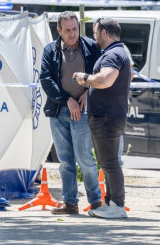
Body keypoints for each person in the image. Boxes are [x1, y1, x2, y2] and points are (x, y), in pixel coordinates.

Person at [40, 11, 102, 215]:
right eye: (67, 30)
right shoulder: (50, 50)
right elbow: (46, 80)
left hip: (83, 110)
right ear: (59, 30)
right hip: (59, 110)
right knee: (65, 160)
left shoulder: (91, 47)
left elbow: (100, 73)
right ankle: (70, 203)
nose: (72, 33)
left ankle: (95, 203)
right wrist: (68, 100)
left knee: (85, 157)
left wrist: (88, 93)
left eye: (75, 29)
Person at [73, 17, 132, 219]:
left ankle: (117, 206)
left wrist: (85, 78)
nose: (94, 36)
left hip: (107, 117)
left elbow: (106, 80)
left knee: (110, 163)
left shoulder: (113, 55)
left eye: (96, 32)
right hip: (108, 115)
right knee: (108, 162)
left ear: (105, 33)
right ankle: (111, 203)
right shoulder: (117, 52)